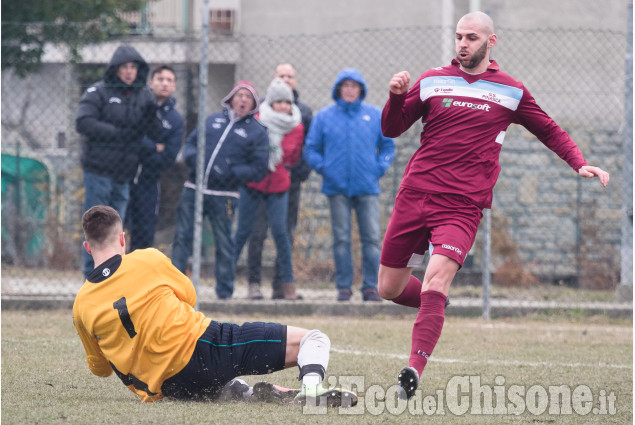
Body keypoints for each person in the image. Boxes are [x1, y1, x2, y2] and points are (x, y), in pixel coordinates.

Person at [379, 11, 610, 399]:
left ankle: (413, 370)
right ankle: (435, 307)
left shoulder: (510, 90)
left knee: (436, 278)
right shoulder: (434, 78)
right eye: (458, 37)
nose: (463, 44)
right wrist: (396, 96)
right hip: (415, 194)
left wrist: (579, 161)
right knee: (388, 287)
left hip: (462, 206)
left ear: (491, 41)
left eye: (471, 37)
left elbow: (549, 129)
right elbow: (392, 127)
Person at [73, 205, 357, 406]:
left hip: (168, 388)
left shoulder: (82, 305)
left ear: (87, 248)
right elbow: (189, 296)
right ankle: (310, 389)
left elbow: (100, 368)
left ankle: (247, 394)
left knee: (220, 386)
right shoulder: (147, 259)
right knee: (314, 338)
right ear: (123, 239)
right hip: (205, 349)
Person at [171, 81, 269, 300]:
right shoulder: (213, 120)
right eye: (240, 95)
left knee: (224, 241)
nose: (243, 100)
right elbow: (191, 143)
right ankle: (174, 288)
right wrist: (193, 159)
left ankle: (224, 291)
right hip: (193, 189)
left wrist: (231, 172)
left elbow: (259, 167)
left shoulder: (257, 132)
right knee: (182, 237)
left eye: (248, 97)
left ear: (253, 103)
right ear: (231, 98)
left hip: (225, 196)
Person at [304, 68, 395, 302]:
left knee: (372, 239)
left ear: (361, 89)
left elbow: (387, 146)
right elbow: (311, 148)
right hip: (337, 189)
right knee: (341, 239)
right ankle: (344, 287)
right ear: (338, 89)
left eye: (354, 86)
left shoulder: (375, 115)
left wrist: (379, 168)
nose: (350, 90)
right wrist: (324, 169)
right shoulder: (324, 117)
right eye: (345, 85)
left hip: (367, 187)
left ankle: (371, 286)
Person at [76, 44, 163, 277]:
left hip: (124, 174)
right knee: (96, 226)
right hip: (99, 172)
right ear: (115, 69)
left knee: (116, 229)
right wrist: (117, 133)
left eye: (133, 67)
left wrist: (152, 113)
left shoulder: (144, 96)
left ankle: (111, 276)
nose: (128, 71)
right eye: (124, 67)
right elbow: (83, 122)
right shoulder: (98, 92)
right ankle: (91, 276)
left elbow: (156, 132)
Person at [247, 63, 313, 300]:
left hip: (289, 182)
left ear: (295, 80)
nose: (286, 79)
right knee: (257, 233)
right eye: (281, 75)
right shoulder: (259, 112)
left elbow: (308, 146)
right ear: (273, 78)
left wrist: (297, 172)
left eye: (290, 76)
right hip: (259, 183)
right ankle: (253, 283)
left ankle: (280, 285)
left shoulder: (303, 112)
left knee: (285, 233)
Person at [233, 78, 304, 301]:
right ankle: (230, 282)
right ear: (270, 102)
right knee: (248, 233)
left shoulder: (297, 125)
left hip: (280, 186)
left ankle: (288, 285)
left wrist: (281, 168)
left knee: (281, 234)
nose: (283, 105)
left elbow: (292, 157)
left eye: (287, 101)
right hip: (254, 185)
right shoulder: (256, 120)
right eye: (278, 101)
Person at [126, 65, 184, 252]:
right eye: (160, 79)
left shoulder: (175, 120)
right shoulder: (136, 105)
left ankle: (139, 278)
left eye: (169, 80)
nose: (164, 83)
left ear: (174, 86)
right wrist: (153, 146)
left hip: (149, 182)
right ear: (151, 83)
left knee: (144, 235)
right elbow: (127, 137)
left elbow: (168, 157)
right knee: (116, 230)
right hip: (123, 176)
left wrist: (142, 147)